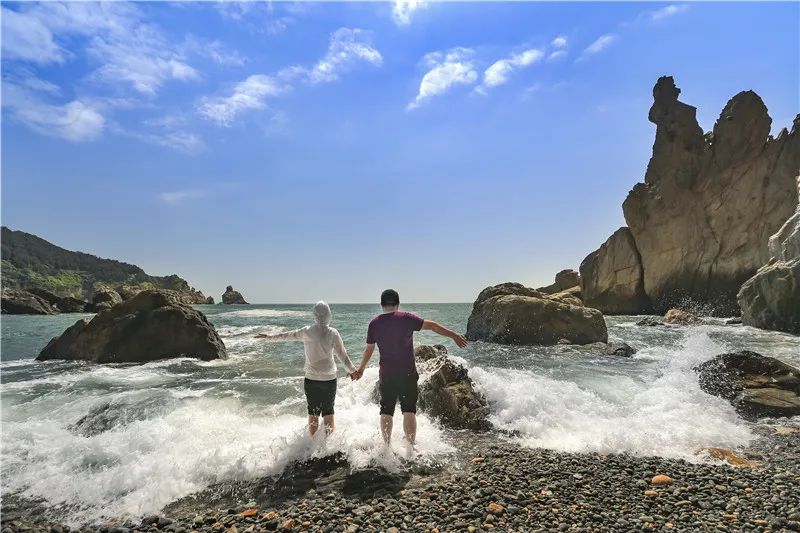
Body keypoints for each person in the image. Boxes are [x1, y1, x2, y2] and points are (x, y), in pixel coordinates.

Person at [353, 289, 468, 447]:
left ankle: (386, 448)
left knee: (386, 411)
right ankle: (411, 447)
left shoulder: (375, 323)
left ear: (381, 305)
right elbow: (433, 326)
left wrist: (361, 369)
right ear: (398, 304)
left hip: (386, 375)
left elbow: (369, 349)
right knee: (409, 410)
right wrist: (454, 335)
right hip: (407, 374)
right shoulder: (406, 318)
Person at [254, 301, 357, 436]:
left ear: (314, 315)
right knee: (329, 412)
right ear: (329, 315)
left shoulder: (307, 331)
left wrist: (269, 337)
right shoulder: (333, 333)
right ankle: (330, 447)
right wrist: (353, 371)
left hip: (311, 380)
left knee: (313, 414)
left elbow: (287, 336)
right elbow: (343, 356)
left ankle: (313, 446)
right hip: (329, 380)